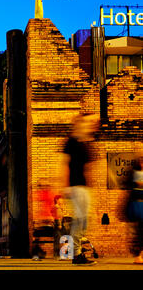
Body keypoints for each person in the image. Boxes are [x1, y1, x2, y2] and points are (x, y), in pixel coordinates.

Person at [61, 113, 99, 265]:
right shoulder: (71, 142)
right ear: (80, 123)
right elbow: (64, 164)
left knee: (84, 221)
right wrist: (65, 186)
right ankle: (76, 254)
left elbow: (89, 168)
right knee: (80, 220)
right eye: (89, 122)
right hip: (76, 187)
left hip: (84, 187)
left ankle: (77, 253)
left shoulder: (85, 142)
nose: (92, 125)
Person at [130, 156, 143, 264]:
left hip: (139, 205)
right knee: (140, 232)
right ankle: (138, 256)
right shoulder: (137, 174)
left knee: (140, 232)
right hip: (139, 206)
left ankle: (139, 256)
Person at [51, 195, 65, 260]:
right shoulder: (56, 207)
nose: (62, 200)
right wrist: (59, 224)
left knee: (58, 240)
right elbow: (57, 217)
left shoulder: (57, 207)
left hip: (57, 224)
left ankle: (57, 255)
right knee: (57, 241)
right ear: (57, 200)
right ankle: (56, 256)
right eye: (60, 199)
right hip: (57, 225)